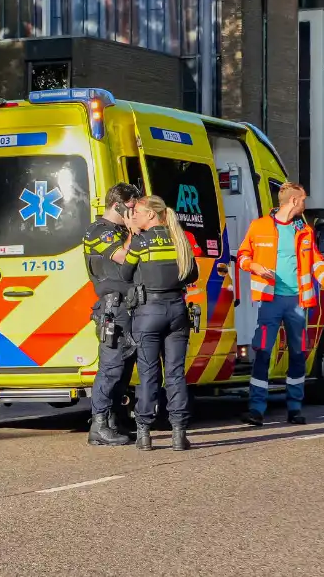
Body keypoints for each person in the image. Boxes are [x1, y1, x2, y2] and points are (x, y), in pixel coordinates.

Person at [236, 183, 324, 426]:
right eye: (303, 201)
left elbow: (316, 263)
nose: (305, 205)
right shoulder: (259, 226)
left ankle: (294, 408)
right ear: (293, 201)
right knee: (263, 352)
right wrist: (255, 267)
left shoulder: (304, 230)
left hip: (297, 302)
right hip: (270, 301)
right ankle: (256, 409)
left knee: (298, 354)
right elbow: (242, 256)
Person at [120, 195, 198, 451]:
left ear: (151, 215)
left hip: (148, 312)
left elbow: (124, 273)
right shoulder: (180, 239)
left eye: (139, 213)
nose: (135, 217)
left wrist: (132, 235)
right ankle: (179, 434)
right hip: (177, 310)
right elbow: (193, 273)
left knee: (148, 375)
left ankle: (144, 434)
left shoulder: (141, 242)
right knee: (175, 374)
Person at [82, 183, 142, 446]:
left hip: (129, 306)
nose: (133, 212)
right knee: (111, 366)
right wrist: (132, 231)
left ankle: (114, 419)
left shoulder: (119, 231)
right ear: (118, 204)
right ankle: (99, 424)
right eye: (131, 207)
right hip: (113, 307)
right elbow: (124, 256)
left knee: (125, 367)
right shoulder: (99, 231)